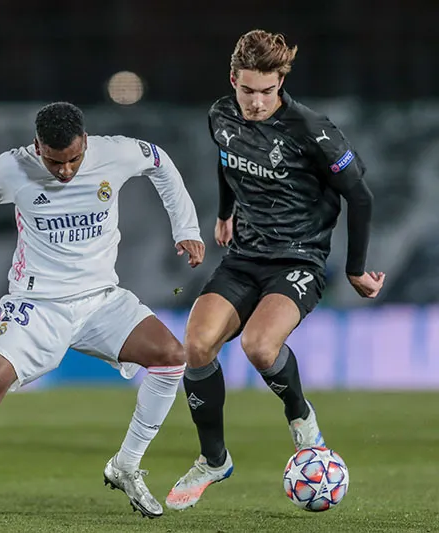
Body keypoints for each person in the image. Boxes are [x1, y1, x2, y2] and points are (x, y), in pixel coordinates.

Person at [0, 102, 205, 526]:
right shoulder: (13, 168)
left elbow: (161, 162)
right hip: (37, 306)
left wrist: (186, 227)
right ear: (37, 146)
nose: (65, 171)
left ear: (86, 141)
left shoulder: (114, 152)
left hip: (100, 299)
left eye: (74, 159)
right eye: (54, 161)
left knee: (172, 358)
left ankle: (126, 465)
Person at [165, 29, 384, 510]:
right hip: (244, 256)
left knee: (259, 346)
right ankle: (214, 459)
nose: (257, 102)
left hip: (298, 259)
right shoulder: (220, 115)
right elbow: (229, 164)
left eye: (267, 91)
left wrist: (355, 269)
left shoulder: (312, 129)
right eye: (248, 90)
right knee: (196, 346)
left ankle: (301, 416)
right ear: (233, 80)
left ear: (281, 82)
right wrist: (225, 214)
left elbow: (360, 194)